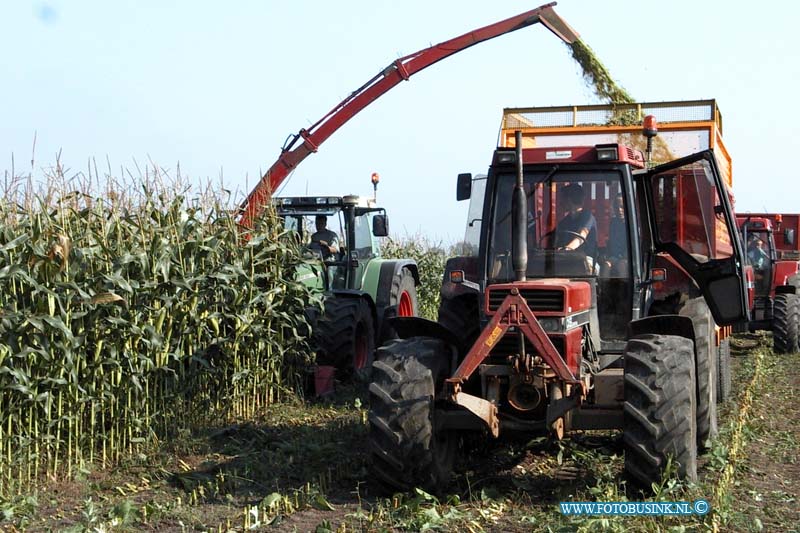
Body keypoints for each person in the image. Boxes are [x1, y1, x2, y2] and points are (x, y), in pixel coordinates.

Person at [556, 184, 597, 257]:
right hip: (566, 259)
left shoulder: (587, 217)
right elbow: (558, 244)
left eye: (562, 199)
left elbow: (581, 237)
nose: (560, 203)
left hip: (586, 259)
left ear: (569, 199)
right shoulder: (563, 223)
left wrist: (567, 249)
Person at [602, 194, 628, 277]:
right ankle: (604, 289)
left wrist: (625, 256)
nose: (619, 210)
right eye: (617, 207)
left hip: (629, 257)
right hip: (615, 256)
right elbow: (611, 242)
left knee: (622, 266)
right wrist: (606, 255)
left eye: (622, 207)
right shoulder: (613, 223)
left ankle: (624, 289)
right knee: (606, 265)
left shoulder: (632, 223)